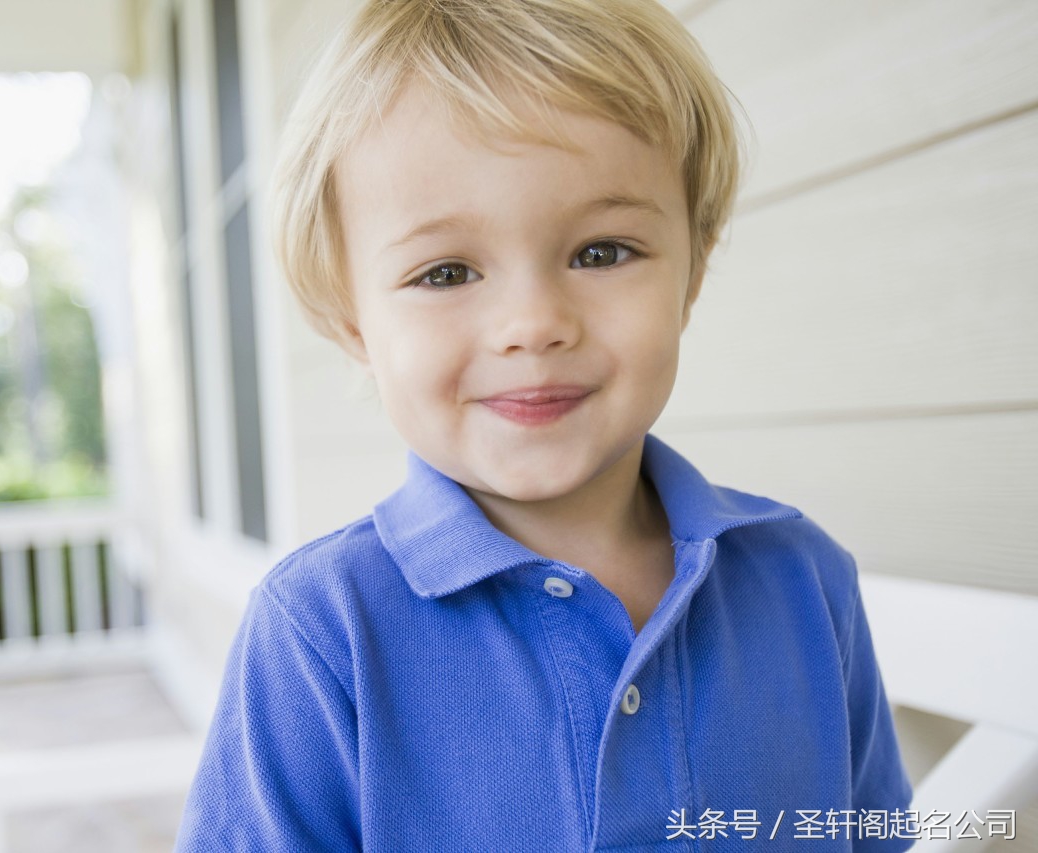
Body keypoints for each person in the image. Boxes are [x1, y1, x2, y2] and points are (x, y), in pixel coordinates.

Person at [175, 0, 914, 849]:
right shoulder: (321, 630)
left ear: (693, 272)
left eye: (601, 252)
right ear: (353, 324)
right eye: (446, 271)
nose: (533, 322)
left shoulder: (801, 578)